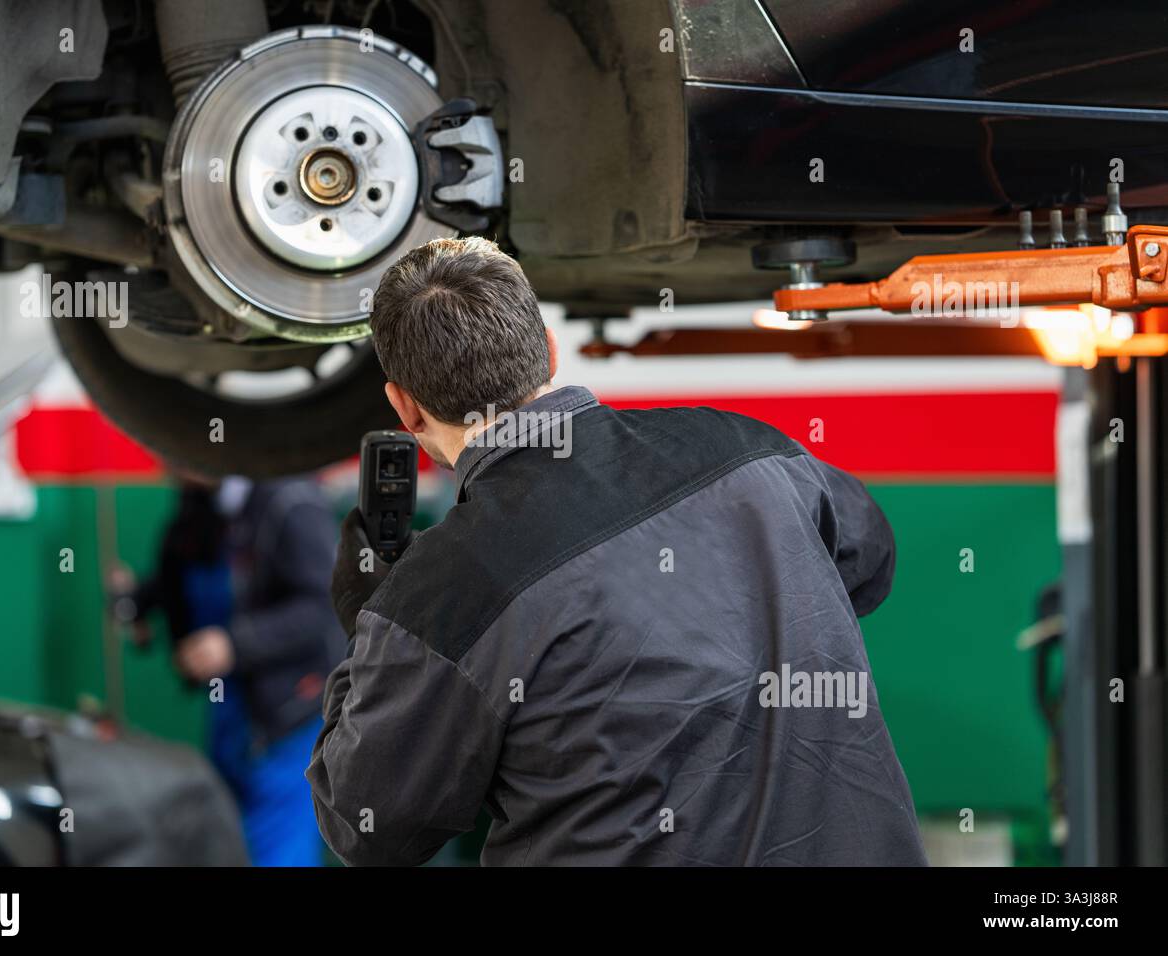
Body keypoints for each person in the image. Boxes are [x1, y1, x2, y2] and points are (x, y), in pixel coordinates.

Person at [310, 236, 927, 866]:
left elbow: (366, 826)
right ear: (548, 350)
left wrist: (371, 634)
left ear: (406, 408)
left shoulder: (443, 594)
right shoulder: (748, 447)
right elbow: (869, 558)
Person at [116, 472, 346, 866]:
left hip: (290, 717)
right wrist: (136, 602)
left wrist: (234, 644)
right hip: (232, 714)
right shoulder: (204, 506)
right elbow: (182, 573)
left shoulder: (291, 503)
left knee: (275, 854)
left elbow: (323, 606)